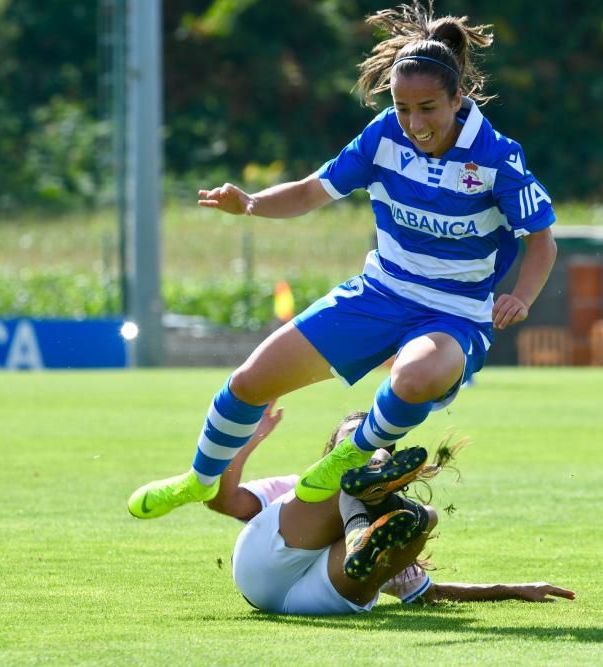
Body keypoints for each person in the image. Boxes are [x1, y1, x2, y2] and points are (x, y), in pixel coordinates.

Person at [128, 1, 557, 519]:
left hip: (456, 313)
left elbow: (542, 240)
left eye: (427, 108)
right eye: (402, 107)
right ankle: (199, 480)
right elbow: (312, 191)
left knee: (417, 374)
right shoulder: (383, 136)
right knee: (249, 382)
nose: (413, 122)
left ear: (457, 98)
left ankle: (349, 455)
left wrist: (521, 296)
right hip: (380, 294)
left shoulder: (495, 157)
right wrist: (252, 204)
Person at [210, 405, 576, 614]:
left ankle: (365, 521)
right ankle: (362, 508)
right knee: (349, 484)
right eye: (353, 441)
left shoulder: (392, 528)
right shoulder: (294, 488)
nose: (365, 447)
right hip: (261, 570)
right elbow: (223, 501)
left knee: (424, 519)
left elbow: (428, 594)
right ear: (329, 451)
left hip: (319, 597)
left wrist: (514, 590)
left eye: (375, 447)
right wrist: (249, 437)